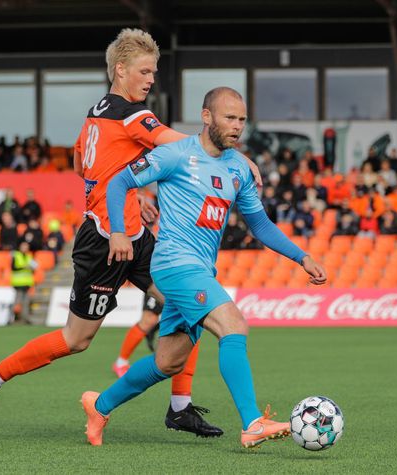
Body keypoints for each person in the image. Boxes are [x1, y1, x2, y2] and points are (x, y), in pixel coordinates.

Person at [0, 28, 261, 435]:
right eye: (144, 71)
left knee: (191, 303)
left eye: (154, 72)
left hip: (135, 237)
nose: (150, 79)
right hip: (103, 243)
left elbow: (80, 164)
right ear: (120, 70)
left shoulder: (96, 112)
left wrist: (134, 190)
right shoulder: (130, 114)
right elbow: (183, 146)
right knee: (76, 339)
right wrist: (236, 156)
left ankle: (180, 406)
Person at [81, 87, 327, 448]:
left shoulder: (237, 168)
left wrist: (301, 257)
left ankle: (99, 407)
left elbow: (259, 225)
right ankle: (252, 423)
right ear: (207, 116)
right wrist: (118, 231)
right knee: (234, 325)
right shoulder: (175, 155)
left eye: (242, 119)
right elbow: (119, 181)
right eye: (230, 117)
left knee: (168, 361)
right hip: (173, 264)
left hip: (200, 270)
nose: (237, 126)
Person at [10, 241, 37, 322]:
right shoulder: (16, 255)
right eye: (23, 246)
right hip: (18, 283)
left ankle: (25, 318)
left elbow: (33, 269)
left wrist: (31, 269)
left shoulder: (29, 256)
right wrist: (25, 267)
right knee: (17, 301)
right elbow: (13, 268)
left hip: (27, 283)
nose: (25, 248)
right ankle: (11, 318)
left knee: (26, 302)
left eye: (26, 247)